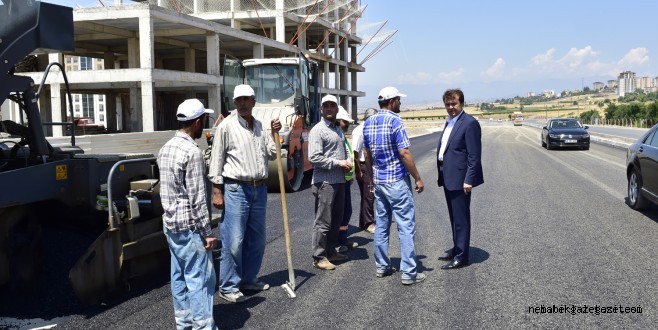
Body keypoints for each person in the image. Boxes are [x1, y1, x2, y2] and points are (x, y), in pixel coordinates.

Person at [207, 84, 282, 303]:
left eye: (246, 99)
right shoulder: (227, 127)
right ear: (234, 103)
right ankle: (229, 286)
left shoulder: (259, 126)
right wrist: (217, 191)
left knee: (257, 239)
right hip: (236, 188)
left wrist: (275, 133)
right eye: (238, 100)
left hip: (259, 188)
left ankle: (249, 279)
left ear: (253, 101)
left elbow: (270, 152)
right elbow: (216, 160)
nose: (241, 103)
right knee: (234, 239)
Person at [158, 98, 217, 330]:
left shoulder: (166, 148)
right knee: (200, 280)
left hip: (171, 225)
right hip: (191, 228)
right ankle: (203, 326)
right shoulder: (192, 152)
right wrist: (207, 232)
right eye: (204, 120)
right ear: (197, 122)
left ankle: (184, 324)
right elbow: (197, 199)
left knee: (179, 276)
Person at [363, 86, 426, 285]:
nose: (400, 103)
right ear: (391, 101)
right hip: (396, 181)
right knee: (405, 226)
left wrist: (372, 177)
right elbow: (404, 153)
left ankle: (382, 265)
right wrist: (417, 177)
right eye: (399, 100)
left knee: (382, 224)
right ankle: (409, 272)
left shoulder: (369, 122)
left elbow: (366, 154)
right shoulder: (395, 121)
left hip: (380, 181)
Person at [436, 88, 483, 270]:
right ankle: (457, 248)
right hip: (449, 178)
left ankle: (462, 257)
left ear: (462, 103)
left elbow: (474, 156)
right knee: (454, 217)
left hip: (461, 180)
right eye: (448, 104)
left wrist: (469, 180)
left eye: (454, 103)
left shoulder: (469, 123)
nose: (451, 107)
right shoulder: (450, 122)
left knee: (461, 219)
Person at [309, 95, 352, 270]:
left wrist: (347, 160)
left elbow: (343, 149)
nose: (328, 109)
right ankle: (319, 256)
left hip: (340, 181)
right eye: (325, 106)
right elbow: (314, 157)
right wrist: (338, 163)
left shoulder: (337, 129)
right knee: (323, 221)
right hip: (325, 182)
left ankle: (330, 250)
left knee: (336, 219)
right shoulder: (318, 130)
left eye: (332, 106)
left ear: (336, 109)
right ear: (321, 109)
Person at [351, 108, 378, 234]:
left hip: (369, 165)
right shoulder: (359, 130)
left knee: (367, 194)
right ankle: (369, 223)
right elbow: (355, 152)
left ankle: (363, 221)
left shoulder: (369, 129)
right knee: (369, 195)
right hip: (363, 165)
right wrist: (358, 171)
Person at [335, 106, 358, 252]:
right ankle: (336, 243)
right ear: (338, 121)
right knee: (338, 213)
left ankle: (343, 238)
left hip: (346, 180)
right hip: (338, 180)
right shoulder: (336, 136)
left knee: (347, 212)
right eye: (345, 122)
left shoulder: (342, 135)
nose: (348, 124)